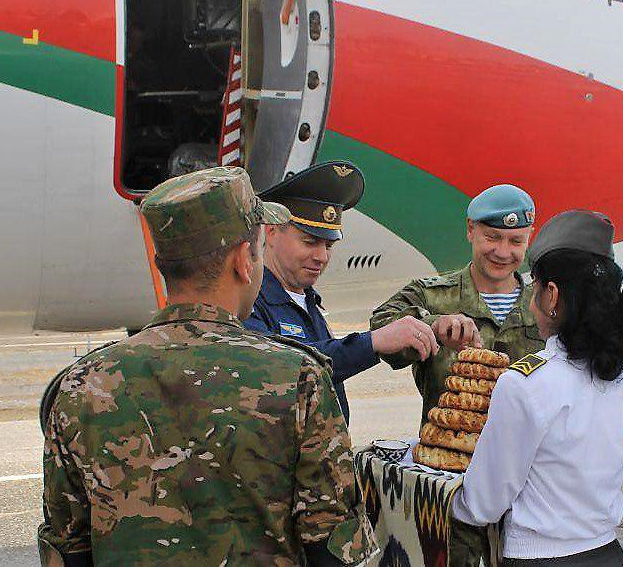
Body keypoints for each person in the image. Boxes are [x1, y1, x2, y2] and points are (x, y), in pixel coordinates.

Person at [37, 167, 377, 566]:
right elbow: (333, 549)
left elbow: (66, 548)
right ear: (243, 262)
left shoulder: (81, 386)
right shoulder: (296, 379)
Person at [451, 210, 623, 566]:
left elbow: (483, 503)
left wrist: (435, 493)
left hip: (541, 558)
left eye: (534, 287)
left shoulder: (525, 383)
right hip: (607, 554)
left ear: (552, 296)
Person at [244, 162, 437, 422]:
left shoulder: (306, 299)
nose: (321, 257)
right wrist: (372, 342)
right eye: (310, 242)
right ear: (273, 231)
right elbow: (284, 370)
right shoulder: (249, 302)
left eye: (329, 245)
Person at [370, 184, 544, 424]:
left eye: (516, 241)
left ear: (529, 238)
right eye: (492, 237)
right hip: (448, 452)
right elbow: (379, 326)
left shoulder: (545, 304)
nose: (503, 252)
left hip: (525, 458)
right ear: (471, 230)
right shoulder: (430, 295)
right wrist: (432, 327)